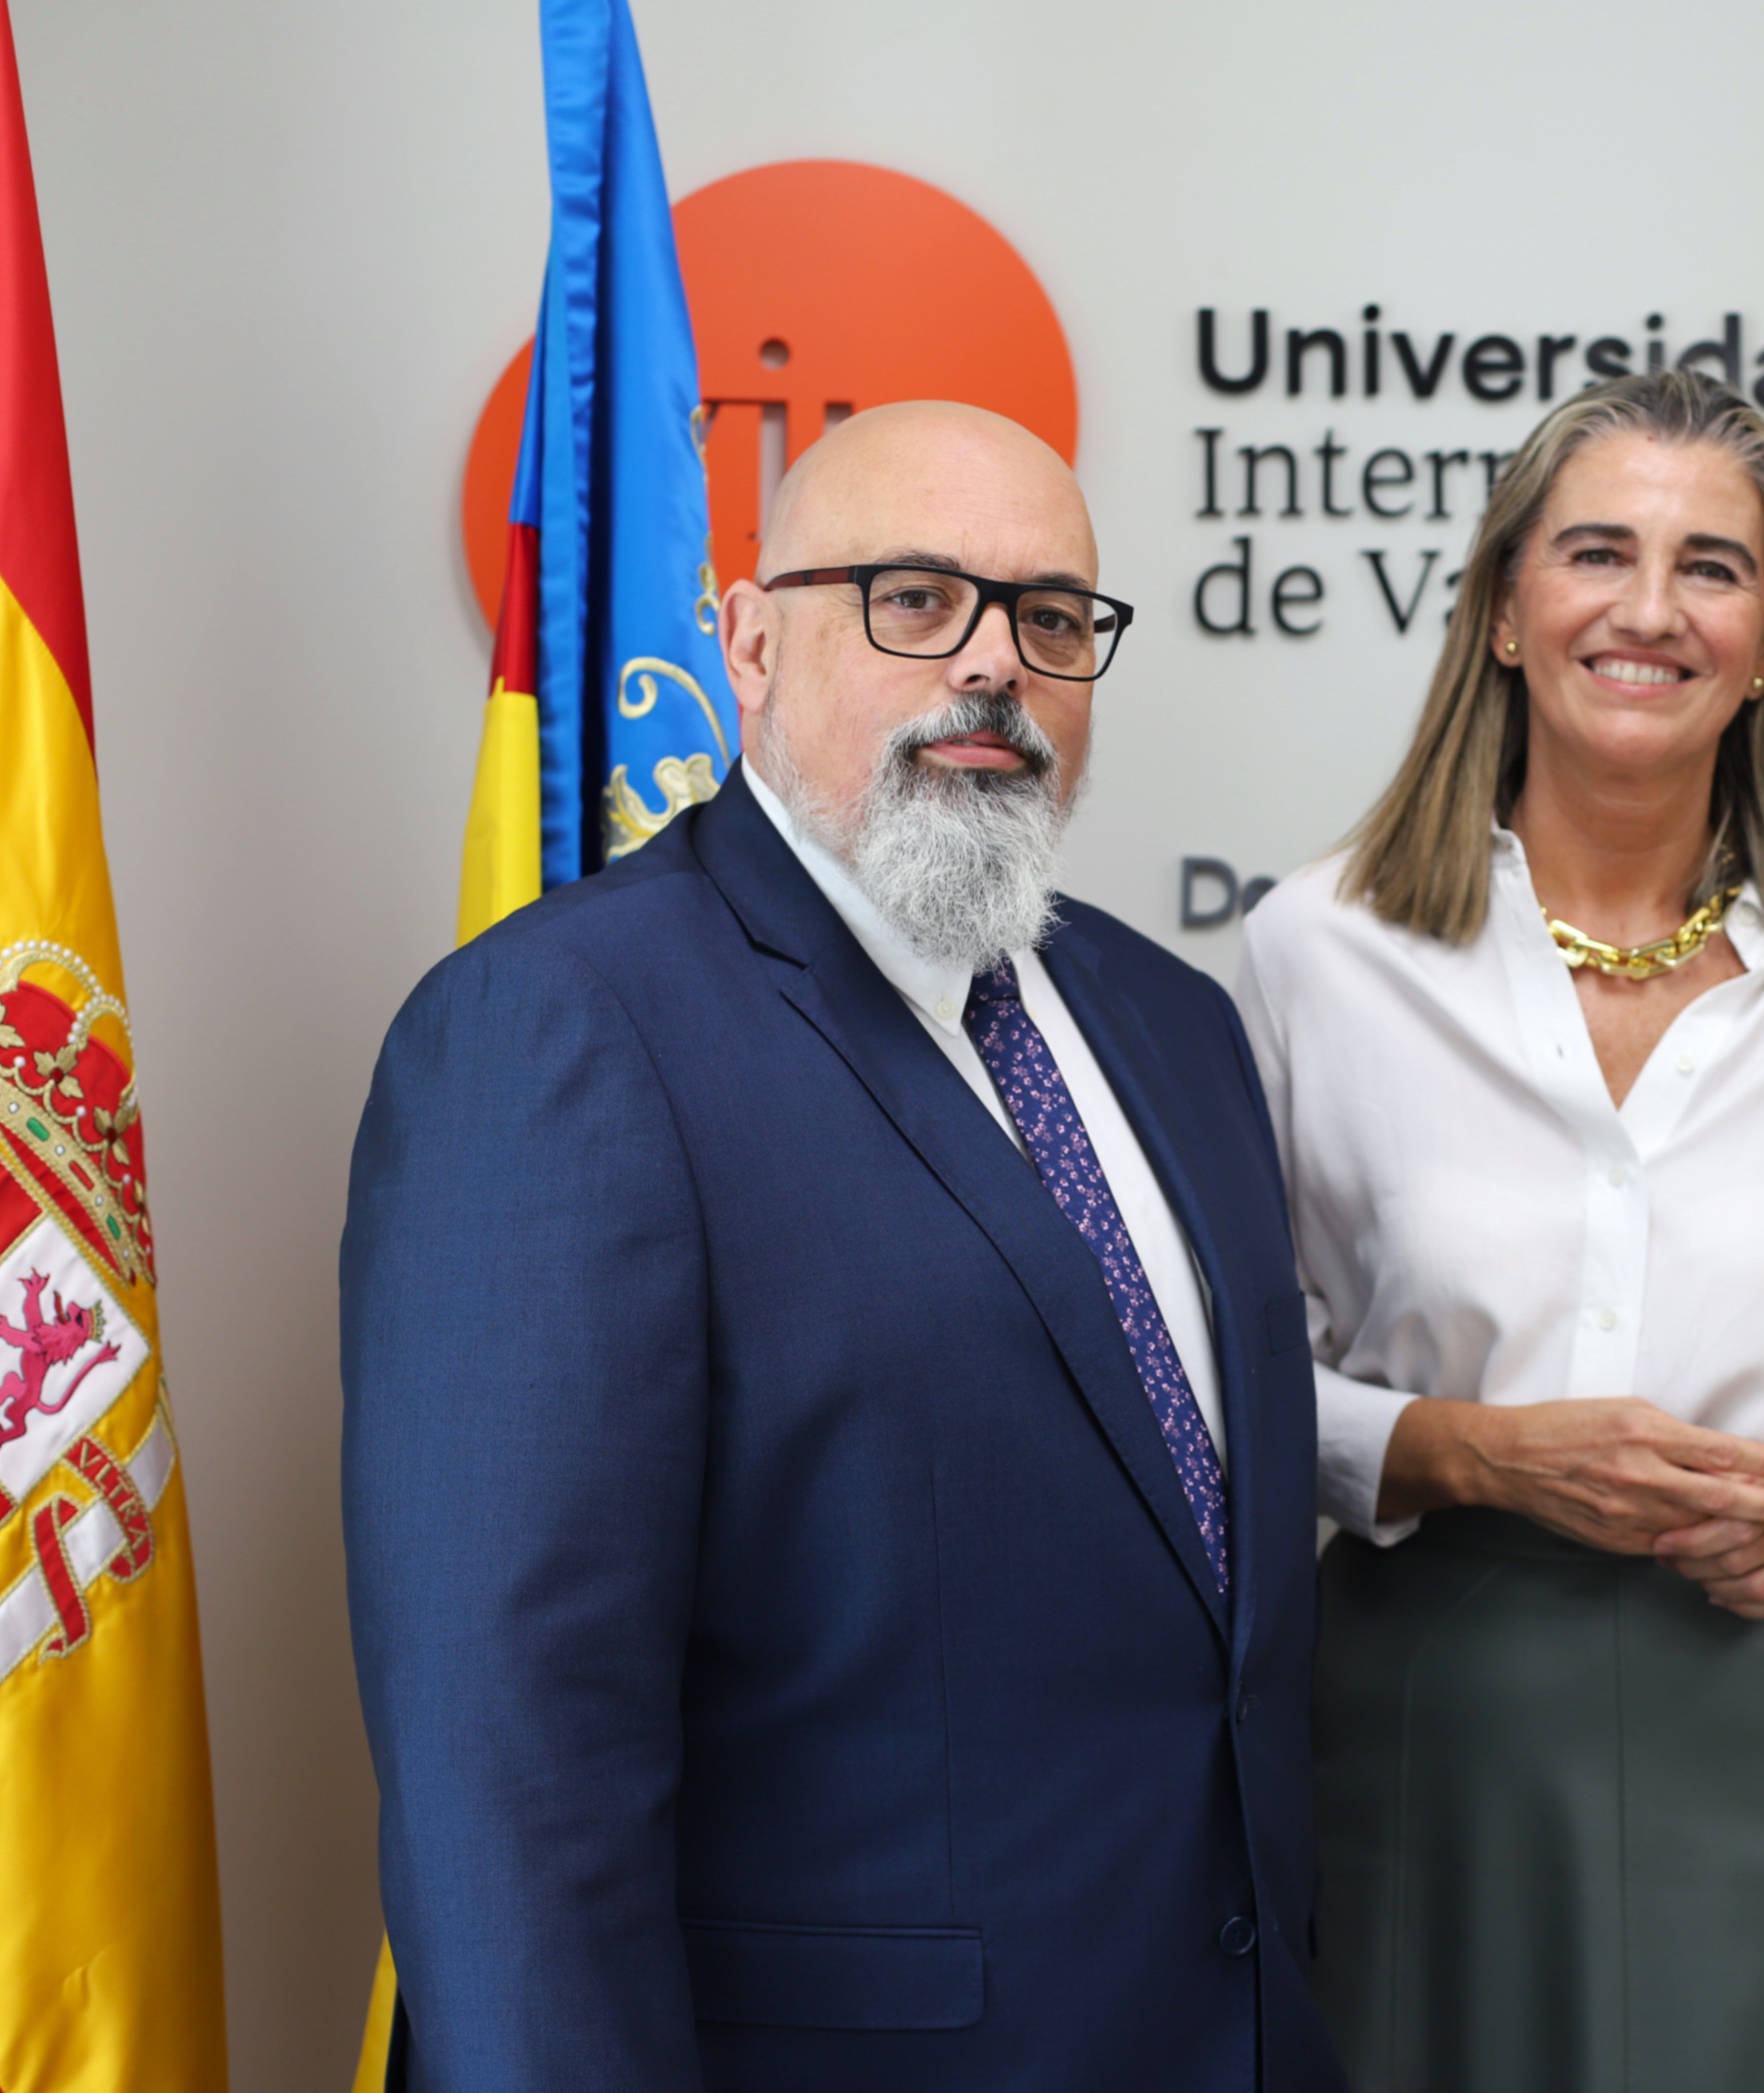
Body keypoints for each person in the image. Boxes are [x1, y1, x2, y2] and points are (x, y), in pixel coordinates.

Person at [342, 403, 1344, 2093]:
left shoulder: (1174, 1024)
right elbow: (510, 1760)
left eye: (1049, 616)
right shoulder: (558, 1028)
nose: (993, 663)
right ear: (749, 643)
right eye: (914, 599)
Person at [1235, 369, 1764, 2093]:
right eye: (1597, 554)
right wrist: (1471, 1454)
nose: (1651, 609)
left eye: (1713, 566)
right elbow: (1234, 1383)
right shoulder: (1317, 948)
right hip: (1436, 1714)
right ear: (1505, 608)